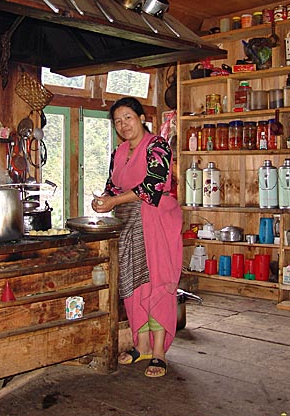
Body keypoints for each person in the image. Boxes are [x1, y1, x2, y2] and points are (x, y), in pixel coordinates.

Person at [92, 97, 183, 378]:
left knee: (157, 282)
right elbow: (112, 186)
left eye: (128, 118)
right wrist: (103, 200)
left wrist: (115, 200)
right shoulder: (118, 152)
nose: (123, 125)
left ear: (141, 117)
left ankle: (159, 352)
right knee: (133, 283)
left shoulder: (157, 145)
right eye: (118, 121)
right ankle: (141, 344)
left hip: (155, 219)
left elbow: (152, 186)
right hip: (128, 222)